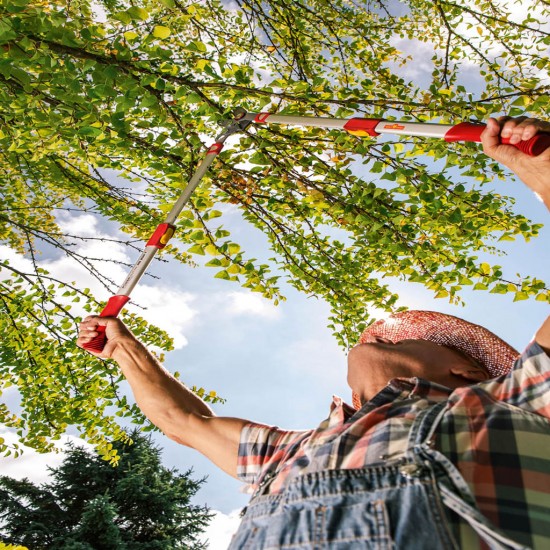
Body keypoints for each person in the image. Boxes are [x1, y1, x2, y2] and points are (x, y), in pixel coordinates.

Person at [78, 117, 550, 549]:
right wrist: (122, 348)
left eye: (410, 337)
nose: (385, 334)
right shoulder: (287, 453)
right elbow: (184, 423)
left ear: (464, 368)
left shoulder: (518, 401)